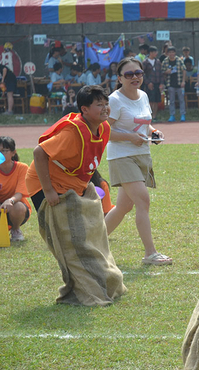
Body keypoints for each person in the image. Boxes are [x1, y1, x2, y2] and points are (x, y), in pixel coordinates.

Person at [26, 85, 126, 306]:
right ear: (85, 109)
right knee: (68, 241)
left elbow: (89, 158)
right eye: (98, 104)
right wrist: (49, 191)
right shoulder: (72, 132)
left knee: (85, 237)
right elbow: (39, 153)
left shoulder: (103, 128)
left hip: (73, 182)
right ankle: (82, 290)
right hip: (45, 183)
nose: (105, 108)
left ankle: (100, 281)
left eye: (105, 103)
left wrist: (95, 181)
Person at [103, 58, 171, 266]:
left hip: (142, 154)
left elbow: (145, 124)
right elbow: (105, 131)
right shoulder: (114, 100)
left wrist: (154, 132)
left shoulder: (143, 95)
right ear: (119, 78)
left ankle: (92, 241)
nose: (135, 77)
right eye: (129, 74)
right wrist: (130, 138)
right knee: (143, 201)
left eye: (138, 73)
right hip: (122, 156)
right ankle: (150, 253)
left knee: (123, 206)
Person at [0, 136, 30, 242]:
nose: (0, 154)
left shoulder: (22, 168)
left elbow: (20, 194)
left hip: (15, 206)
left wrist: (10, 201)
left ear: (13, 153)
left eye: (4, 151)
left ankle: (15, 230)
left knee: (18, 207)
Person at [161, 46, 186, 122]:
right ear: (167, 53)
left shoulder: (179, 60)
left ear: (175, 53)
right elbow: (162, 72)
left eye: (173, 52)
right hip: (170, 83)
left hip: (179, 84)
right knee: (171, 100)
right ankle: (172, 115)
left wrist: (183, 81)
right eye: (170, 52)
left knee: (181, 100)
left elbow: (184, 70)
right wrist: (166, 72)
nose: (171, 54)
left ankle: (182, 115)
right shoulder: (165, 61)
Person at [142, 45, 164, 116]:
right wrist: (148, 83)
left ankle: (154, 115)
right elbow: (142, 73)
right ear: (150, 52)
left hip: (157, 83)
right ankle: (149, 115)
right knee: (150, 100)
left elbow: (161, 73)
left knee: (156, 100)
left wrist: (161, 83)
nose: (156, 53)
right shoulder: (145, 62)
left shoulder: (158, 62)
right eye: (154, 52)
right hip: (149, 84)